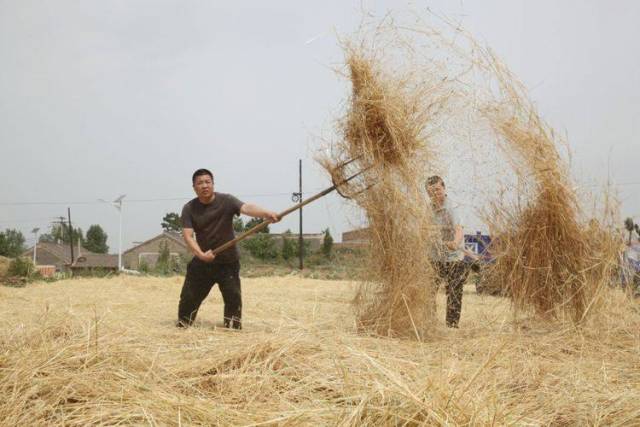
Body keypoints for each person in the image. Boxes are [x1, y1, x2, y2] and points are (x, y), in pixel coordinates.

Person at [177, 168, 279, 329]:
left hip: (228, 263)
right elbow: (188, 236)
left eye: (207, 182)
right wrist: (201, 255)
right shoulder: (189, 208)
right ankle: (183, 324)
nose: (204, 185)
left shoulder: (227, 201)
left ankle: (232, 328)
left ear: (213, 184)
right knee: (188, 299)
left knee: (233, 299)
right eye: (200, 183)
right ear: (194, 187)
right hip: (203, 262)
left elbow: (246, 208)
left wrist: (266, 213)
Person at [426, 175, 468, 328]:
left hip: (453, 256)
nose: (435, 194)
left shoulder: (453, 207)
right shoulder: (428, 208)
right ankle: (429, 323)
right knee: (428, 290)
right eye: (431, 192)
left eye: (437, 189)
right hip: (435, 255)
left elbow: (458, 229)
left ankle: (452, 325)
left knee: (454, 291)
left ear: (444, 188)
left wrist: (456, 242)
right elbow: (424, 229)